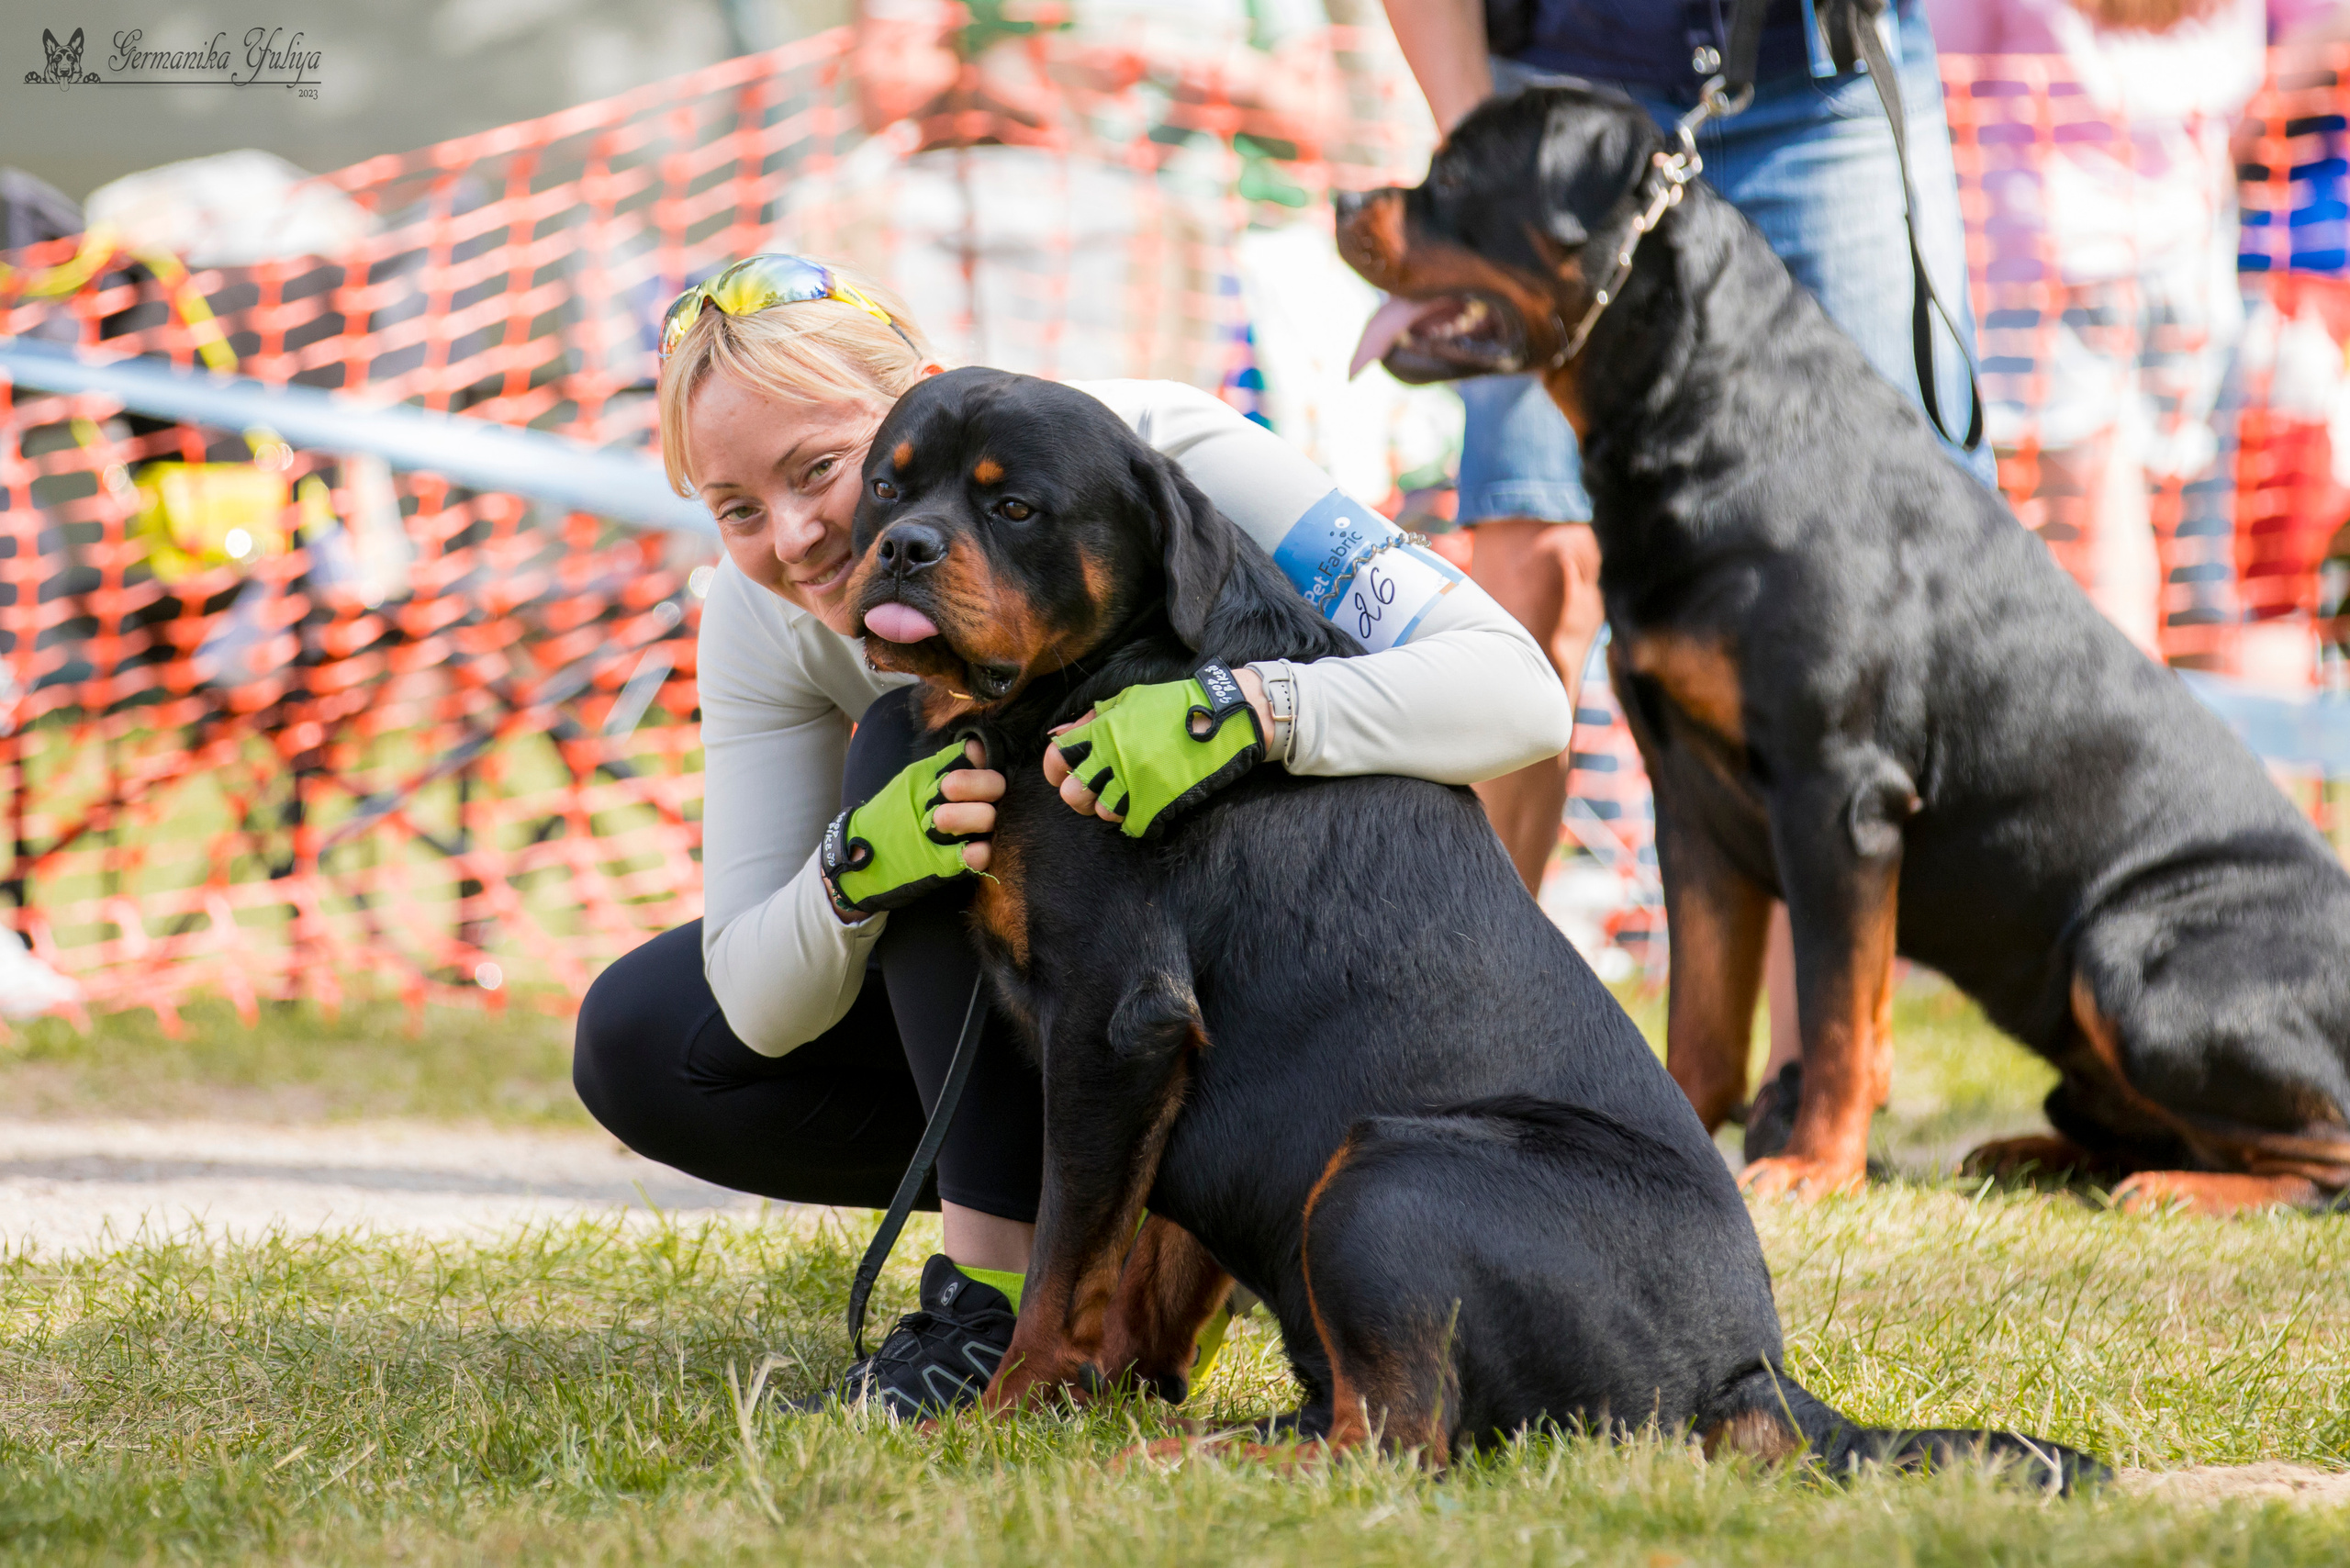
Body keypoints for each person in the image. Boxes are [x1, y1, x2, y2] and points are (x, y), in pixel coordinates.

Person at [569, 252, 1574, 1416]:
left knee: (918, 741)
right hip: (1067, 1016)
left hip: (1275, 1014)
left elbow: (1519, 693)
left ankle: (996, 1298)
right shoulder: (756, 615)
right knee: (643, 1038)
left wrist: (1249, 712)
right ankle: (1090, 1226)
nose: (795, 537)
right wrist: (853, 872)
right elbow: (753, 996)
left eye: (823, 470)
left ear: (924, 406)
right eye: (736, 508)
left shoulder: (1164, 451)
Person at [1379, 0, 1997, 1146]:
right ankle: (1448, 1050)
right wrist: (1481, 148)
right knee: (1538, 571)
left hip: (1823, 88)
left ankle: (1809, 1096)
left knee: (1840, 596)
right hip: (1557, 107)